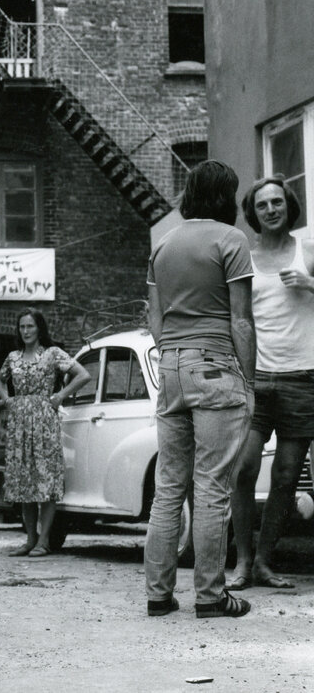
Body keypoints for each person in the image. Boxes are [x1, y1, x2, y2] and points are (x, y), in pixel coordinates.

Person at [144, 159, 255, 619]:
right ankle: (210, 596)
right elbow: (241, 320)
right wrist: (248, 382)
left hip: (169, 365)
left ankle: (158, 594)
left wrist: (174, 352)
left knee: (169, 486)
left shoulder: (163, 244)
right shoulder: (231, 240)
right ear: (224, 196)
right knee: (211, 487)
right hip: (215, 366)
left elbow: (153, 317)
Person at [228, 175, 314, 590]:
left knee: (285, 477)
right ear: (253, 212)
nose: (271, 209)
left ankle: (264, 561)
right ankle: (242, 563)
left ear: (288, 205)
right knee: (243, 470)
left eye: (277, 202)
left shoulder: (308, 248)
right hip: (257, 378)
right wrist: (241, 376)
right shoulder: (244, 257)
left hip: (303, 378)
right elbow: (238, 318)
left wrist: (312, 284)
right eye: (262, 205)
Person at [0, 308, 91, 557]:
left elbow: (83, 374)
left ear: (39, 328)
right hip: (19, 424)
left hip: (44, 423)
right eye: (22, 327)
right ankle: (30, 539)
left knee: (45, 481)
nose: (25, 331)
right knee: (25, 483)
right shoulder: (13, 357)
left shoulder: (52, 354)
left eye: (30, 326)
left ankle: (44, 541)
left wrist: (60, 395)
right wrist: (7, 400)